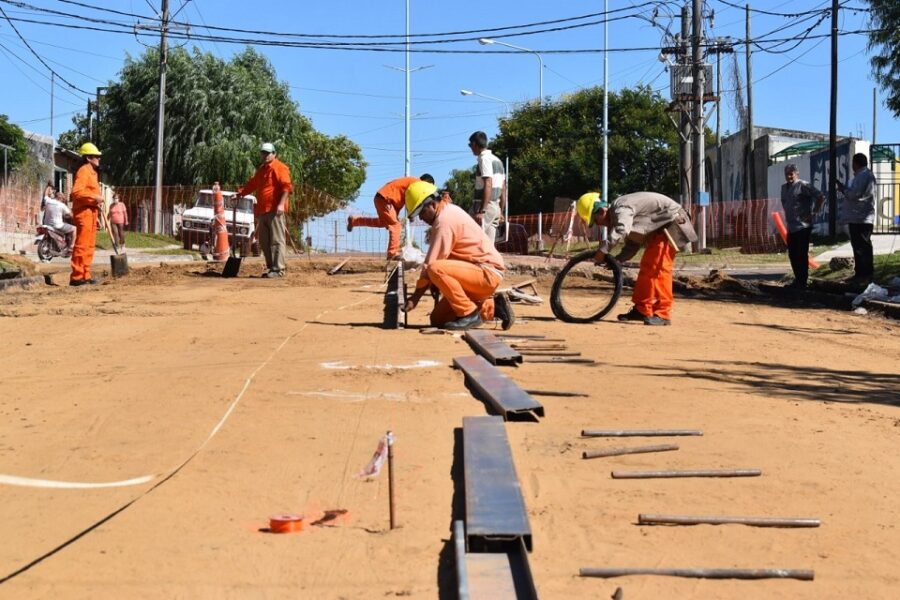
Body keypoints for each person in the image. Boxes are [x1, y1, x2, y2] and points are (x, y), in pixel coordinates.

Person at [402, 181, 514, 330]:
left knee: (435, 269)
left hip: (487, 272)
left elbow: (431, 265)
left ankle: (469, 313)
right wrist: (434, 283)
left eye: (421, 213)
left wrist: (415, 298)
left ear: (433, 205)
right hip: (475, 274)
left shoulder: (444, 221)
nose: (421, 218)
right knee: (438, 320)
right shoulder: (446, 212)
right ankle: (493, 307)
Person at [580, 191, 696, 326]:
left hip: (671, 225)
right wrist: (617, 260)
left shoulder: (621, 208)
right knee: (647, 268)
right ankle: (642, 309)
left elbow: (622, 230)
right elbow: (633, 244)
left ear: (601, 211)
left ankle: (663, 314)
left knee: (659, 269)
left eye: (595, 221)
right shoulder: (618, 215)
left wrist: (603, 250)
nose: (598, 225)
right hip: (660, 230)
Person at [237, 142, 293, 278]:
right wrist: (240, 194)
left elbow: (287, 187)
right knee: (264, 241)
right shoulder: (262, 170)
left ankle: (279, 269)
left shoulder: (280, 167)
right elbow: (253, 183)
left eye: (268, 153)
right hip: (263, 210)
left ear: (274, 154)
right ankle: (271, 268)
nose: (265, 155)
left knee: (277, 240)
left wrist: (281, 204)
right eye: (263, 153)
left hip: (275, 210)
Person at [347, 173, 434, 259]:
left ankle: (354, 221)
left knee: (382, 223)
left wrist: (410, 214)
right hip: (386, 199)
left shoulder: (413, 182)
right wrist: (411, 215)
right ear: (426, 182)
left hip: (383, 199)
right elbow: (409, 200)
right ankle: (392, 253)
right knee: (396, 226)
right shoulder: (416, 184)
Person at [780, 164, 825, 289]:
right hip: (791, 226)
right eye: (787, 174)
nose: (789, 176)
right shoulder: (784, 188)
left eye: (791, 173)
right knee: (793, 254)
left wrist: (814, 212)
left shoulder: (803, 185)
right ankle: (797, 279)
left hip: (803, 226)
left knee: (801, 254)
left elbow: (820, 196)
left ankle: (803, 281)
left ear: (796, 174)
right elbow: (785, 202)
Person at [836, 153, 877, 285]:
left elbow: (855, 194)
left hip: (861, 217)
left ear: (855, 163)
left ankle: (866, 275)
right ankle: (860, 274)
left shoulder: (863, 176)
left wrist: (843, 190)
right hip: (857, 217)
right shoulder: (864, 175)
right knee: (859, 247)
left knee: (862, 247)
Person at [69, 142, 105, 286]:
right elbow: (77, 192)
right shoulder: (84, 170)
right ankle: (77, 276)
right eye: (96, 156)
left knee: (90, 245)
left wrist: (96, 213)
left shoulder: (93, 172)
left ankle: (86, 274)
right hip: (83, 212)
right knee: (82, 244)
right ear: (89, 158)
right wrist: (95, 197)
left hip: (91, 211)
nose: (99, 159)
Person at [468, 131, 507, 244]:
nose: (471, 148)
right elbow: (503, 188)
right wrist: (501, 211)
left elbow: (488, 183)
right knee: (488, 246)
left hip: (484, 206)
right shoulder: (498, 161)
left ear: (475, 144)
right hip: (495, 207)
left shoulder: (483, 159)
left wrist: (482, 210)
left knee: (472, 239)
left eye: (470, 145)